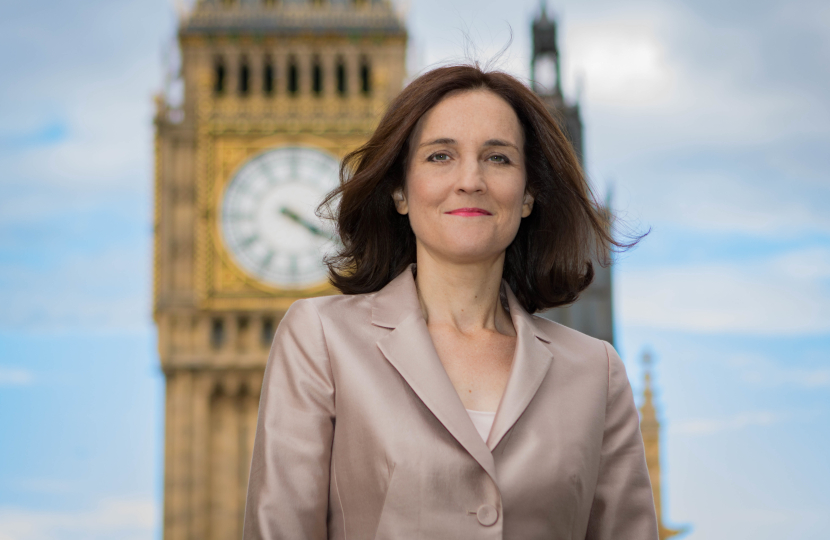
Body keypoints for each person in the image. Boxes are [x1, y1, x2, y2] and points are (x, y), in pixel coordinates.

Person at [243, 65, 658, 540]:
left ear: (528, 195)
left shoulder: (594, 373)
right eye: (440, 156)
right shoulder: (321, 340)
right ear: (399, 190)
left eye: (498, 159)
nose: (470, 180)